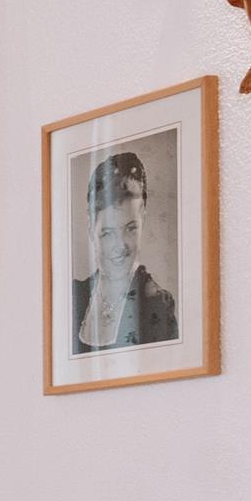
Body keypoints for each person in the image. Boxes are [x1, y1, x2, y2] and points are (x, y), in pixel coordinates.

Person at [71, 147, 175, 354]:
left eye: (130, 228)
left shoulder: (157, 304)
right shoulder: (74, 296)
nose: (120, 245)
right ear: (91, 229)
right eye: (108, 233)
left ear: (143, 219)